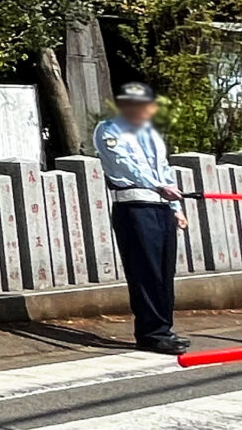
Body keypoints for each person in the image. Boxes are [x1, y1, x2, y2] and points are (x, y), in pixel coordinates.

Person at [94, 82, 189, 355]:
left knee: (164, 272)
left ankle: (164, 329)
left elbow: (164, 169)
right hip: (134, 206)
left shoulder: (151, 133)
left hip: (161, 206)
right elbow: (123, 164)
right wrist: (158, 186)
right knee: (145, 271)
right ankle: (150, 333)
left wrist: (176, 207)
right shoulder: (109, 130)